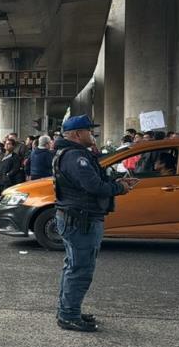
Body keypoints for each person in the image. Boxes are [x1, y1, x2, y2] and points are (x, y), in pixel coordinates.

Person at [53, 115, 136, 332]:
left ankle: (67, 310)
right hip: (82, 220)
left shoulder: (73, 154)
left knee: (73, 266)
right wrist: (120, 188)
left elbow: (92, 182)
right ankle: (68, 315)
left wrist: (114, 183)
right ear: (78, 134)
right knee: (80, 269)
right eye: (90, 131)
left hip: (77, 217)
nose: (93, 134)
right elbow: (93, 186)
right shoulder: (75, 157)